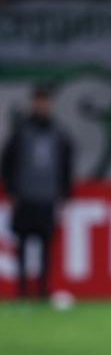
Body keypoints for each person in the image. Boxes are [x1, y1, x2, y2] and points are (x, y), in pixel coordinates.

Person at [1, 85, 74, 299]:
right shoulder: (21, 132)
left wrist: (65, 194)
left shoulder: (59, 134)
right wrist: (11, 190)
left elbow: (66, 165)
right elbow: (6, 163)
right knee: (22, 242)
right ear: (33, 103)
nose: (42, 105)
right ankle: (22, 288)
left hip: (48, 196)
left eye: (46, 101)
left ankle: (43, 288)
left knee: (46, 244)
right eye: (39, 101)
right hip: (24, 196)